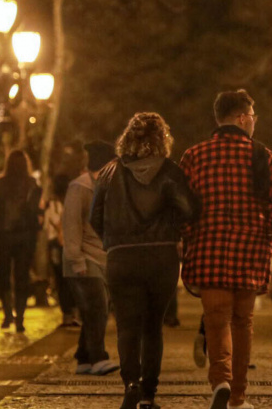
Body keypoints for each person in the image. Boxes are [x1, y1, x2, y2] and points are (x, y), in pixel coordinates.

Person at [180, 89, 272, 409]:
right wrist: (269, 236)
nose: (254, 123)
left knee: (216, 320)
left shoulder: (194, 156)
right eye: (253, 118)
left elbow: (182, 207)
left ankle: (220, 381)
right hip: (250, 255)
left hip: (208, 253)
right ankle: (238, 397)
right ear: (243, 118)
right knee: (242, 323)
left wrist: (191, 236)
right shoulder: (263, 156)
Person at [90, 113, 198, 409]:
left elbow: (94, 217)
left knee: (126, 326)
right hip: (161, 257)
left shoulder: (110, 172)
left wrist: (113, 240)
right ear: (162, 139)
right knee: (153, 327)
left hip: (121, 257)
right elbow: (189, 210)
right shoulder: (170, 171)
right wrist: (173, 226)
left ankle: (131, 384)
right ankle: (149, 394)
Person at [62, 140, 120, 376]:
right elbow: (72, 225)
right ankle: (98, 357)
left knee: (94, 310)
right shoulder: (80, 187)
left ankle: (83, 357)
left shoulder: (107, 187)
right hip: (83, 258)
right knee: (97, 308)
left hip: (100, 257)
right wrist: (76, 260)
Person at [0, 150, 42, 333]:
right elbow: (35, 210)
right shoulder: (31, 183)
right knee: (21, 276)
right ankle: (20, 319)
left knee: (3, 275)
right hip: (25, 236)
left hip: (2, 235)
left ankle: (8, 313)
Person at [44, 174, 79, 327]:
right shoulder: (74, 200)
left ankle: (67, 314)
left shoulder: (52, 204)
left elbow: (49, 224)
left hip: (56, 244)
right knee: (73, 278)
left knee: (61, 279)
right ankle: (76, 312)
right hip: (73, 243)